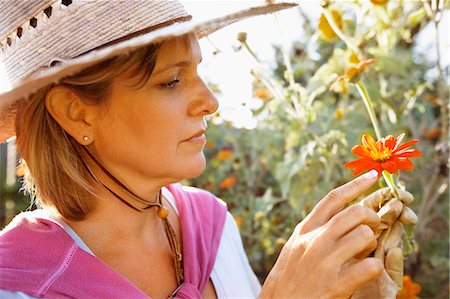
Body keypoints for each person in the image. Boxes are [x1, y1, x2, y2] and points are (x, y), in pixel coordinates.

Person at [0, 1, 413, 298]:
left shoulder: (212, 226)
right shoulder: (16, 282)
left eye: (199, 72)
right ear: (76, 113)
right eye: (170, 81)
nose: (210, 102)